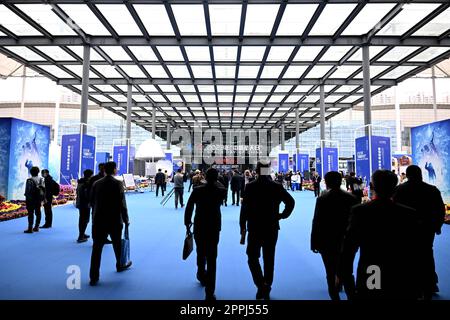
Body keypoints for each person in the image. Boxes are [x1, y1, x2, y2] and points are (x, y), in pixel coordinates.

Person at [338, 170, 421, 300]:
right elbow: (416, 251)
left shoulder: (360, 212)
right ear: (395, 188)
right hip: (400, 272)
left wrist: (349, 287)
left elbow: (348, 251)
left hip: (372, 271)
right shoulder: (409, 214)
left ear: (372, 186)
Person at [240, 161, 295, 300]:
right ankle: (267, 285)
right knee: (269, 258)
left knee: (252, 257)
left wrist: (242, 226)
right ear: (268, 170)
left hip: (254, 227)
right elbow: (291, 202)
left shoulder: (250, 187)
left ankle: (261, 285)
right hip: (271, 226)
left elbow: (244, 208)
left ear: (256, 171)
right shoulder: (276, 186)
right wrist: (282, 215)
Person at [393, 165, 445, 299]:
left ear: (407, 175)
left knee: (407, 255)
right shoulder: (432, 190)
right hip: (427, 229)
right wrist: (438, 226)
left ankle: (410, 285)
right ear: (421, 174)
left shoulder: (399, 190)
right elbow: (440, 210)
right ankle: (430, 284)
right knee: (427, 253)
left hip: (406, 230)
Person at [311, 171, 359, 300]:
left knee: (330, 272)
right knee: (347, 272)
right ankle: (351, 295)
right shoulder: (352, 198)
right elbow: (355, 222)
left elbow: (317, 221)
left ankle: (334, 296)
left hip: (327, 241)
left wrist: (314, 242)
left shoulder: (322, 199)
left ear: (326, 182)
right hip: (347, 240)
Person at [184, 168, 227, 300]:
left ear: (205, 176)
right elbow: (222, 190)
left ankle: (201, 274)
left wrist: (187, 222)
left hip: (200, 225)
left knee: (200, 251)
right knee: (212, 256)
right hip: (214, 226)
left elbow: (189, 206)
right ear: (217, 177)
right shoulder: (221, 191)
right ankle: (210, 291)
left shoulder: (197, 190)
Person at [89, 162, 131, 286]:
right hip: (114, 220)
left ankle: (93, 276)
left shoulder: (96, 184)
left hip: (98, 220)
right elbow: (122, 203)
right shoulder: (118, 184)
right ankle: (120, 264)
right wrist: (126, 219)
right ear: (113, 170)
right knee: (117, 245)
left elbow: (91, 201)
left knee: (97, 249)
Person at [24, 166, 45, 233]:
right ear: (38, 172)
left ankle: (30, 228)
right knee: (38, 212)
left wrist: (27, 198)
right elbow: (44, 189)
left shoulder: (29, 180)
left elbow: (27, 191)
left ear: (31, 172)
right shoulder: (41, 179)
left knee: (30, 213)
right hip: (38, 199)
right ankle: (36, 227)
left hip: (30, 199)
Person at [76, 169, 93, 243]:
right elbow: (86, 195)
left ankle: (82, 233)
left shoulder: (80, 182)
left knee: (82, 219)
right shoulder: (86, 183)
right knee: (85, 220)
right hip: (85, 204)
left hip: (80, 203)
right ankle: (81, 236)